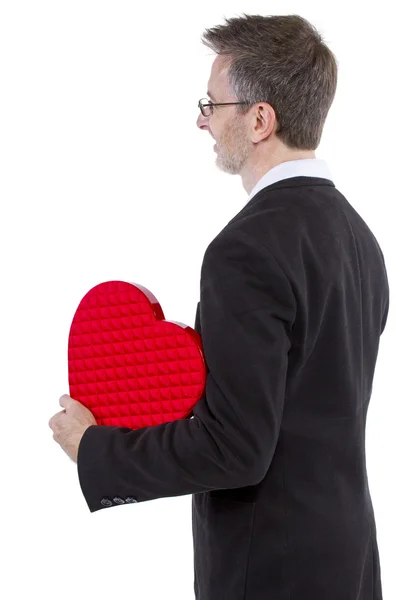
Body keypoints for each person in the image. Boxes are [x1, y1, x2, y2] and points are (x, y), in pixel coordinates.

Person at [49, 13, 389, 600]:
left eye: (212, 104)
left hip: (271, 572)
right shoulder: (359, 237)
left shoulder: (246, 249)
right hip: (348, 558)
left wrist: (96, 450)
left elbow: (235, 449)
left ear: (260, 119)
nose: (202, 122)